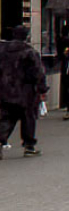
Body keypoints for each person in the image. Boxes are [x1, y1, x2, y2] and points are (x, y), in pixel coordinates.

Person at [0, 26, 48, 158]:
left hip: (5, 90)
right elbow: (38, 72)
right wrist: (42, 89)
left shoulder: (2, 50)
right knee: (28, 117)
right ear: (26, 36)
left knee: (6, 118)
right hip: (26, 92)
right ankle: (29, 146)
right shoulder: (29, 51)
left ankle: (0, 141)